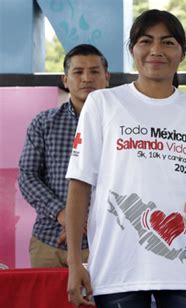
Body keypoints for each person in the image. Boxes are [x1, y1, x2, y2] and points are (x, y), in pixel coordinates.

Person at [65, 9, 186, 308]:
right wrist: (74, 262)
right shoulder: (103, 104)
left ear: (182, 53)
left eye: (168, 42)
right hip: (117, 267)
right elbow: (80, 185)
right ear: (133, 49)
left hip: (185, 267)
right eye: (146, 41)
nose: (156, 50)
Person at [18, 44, 110, 268]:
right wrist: (64, 215)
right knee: (47, 304)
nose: (86, 78)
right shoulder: (44, 123)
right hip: (49, 242)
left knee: (100, 305)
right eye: (78, 72)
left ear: (107, 78)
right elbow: (28, 176)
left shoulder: (122, 125)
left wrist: (84, 221)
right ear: (65, 80)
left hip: (106, 242)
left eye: (94, 72)